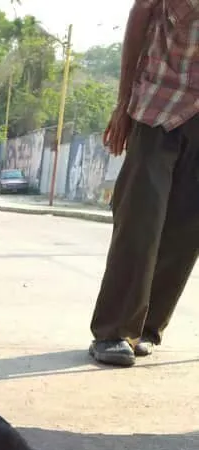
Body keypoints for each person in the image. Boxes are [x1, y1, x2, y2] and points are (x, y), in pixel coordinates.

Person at [89, 0, 199, 367]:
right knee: (141, 217)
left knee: (188, 228)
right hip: (159, 102)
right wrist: (123, 103)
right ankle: (114, 330)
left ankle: (146, 327)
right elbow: (140, 14)